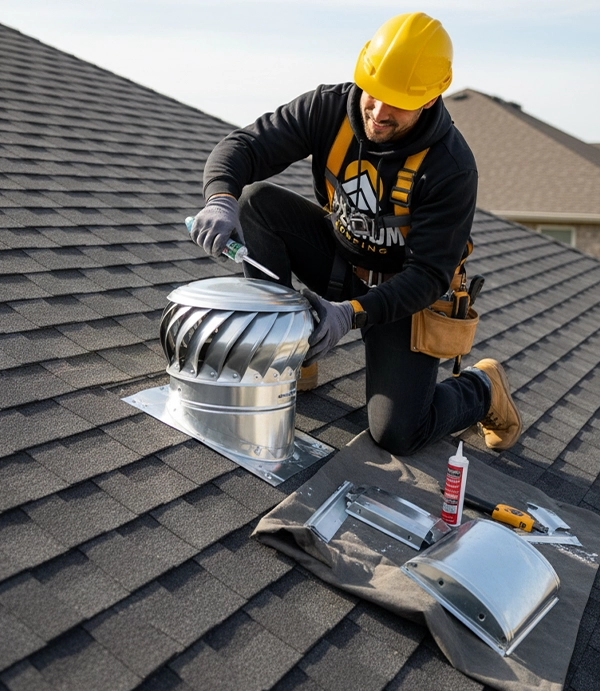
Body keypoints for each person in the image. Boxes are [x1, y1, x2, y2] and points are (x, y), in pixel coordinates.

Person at [189, 12, 522, 455]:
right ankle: (288, 351)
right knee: (255, 203)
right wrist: (220, 199)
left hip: (403, 298)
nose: (379, 113)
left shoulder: (450, 167)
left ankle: (482, 389)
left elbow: (427, 276)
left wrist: (350, 312)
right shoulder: (328, 108)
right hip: (338, 258)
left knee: (397, 433)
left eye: (398, 103)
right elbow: (243, 147)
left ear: (429, 99)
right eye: (375, 93)